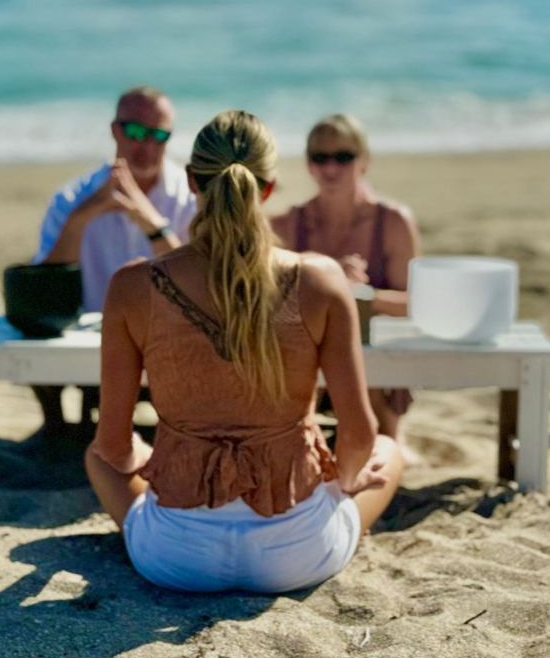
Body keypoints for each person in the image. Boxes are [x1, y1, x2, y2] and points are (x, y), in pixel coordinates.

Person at [84, 110, 403, 594]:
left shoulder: (133, 286)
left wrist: (170, 462)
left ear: (192, 182)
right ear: (268, 188)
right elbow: (360, 434)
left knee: (95, 457)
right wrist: (345, 477)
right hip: (297, 554)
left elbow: (114, 448)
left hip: (175, 556)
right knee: (389, 451)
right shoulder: (319, 280)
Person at [32, 86, 197, 430]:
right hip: (90, 334)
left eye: (159, 135)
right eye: (136, 132)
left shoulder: (190, 197)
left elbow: (196, 280)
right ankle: (56, 430)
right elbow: (44, 284)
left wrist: (150, 222)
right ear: (115, 130)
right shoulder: (73, 198)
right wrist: (82, 217)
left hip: (172, 334)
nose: (147, 145)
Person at [271, 113, 420, 439]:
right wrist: (329, 279)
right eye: (320, 158)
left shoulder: (392, 221)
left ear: (364, 161)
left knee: (360, 343)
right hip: (308, 346)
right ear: (308, 164)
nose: (330, 168)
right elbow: (267, 294)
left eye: (343, 157)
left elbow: (417, 305)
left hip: (371, 353)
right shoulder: (288, 223)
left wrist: (360, 295)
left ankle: (389, 438)